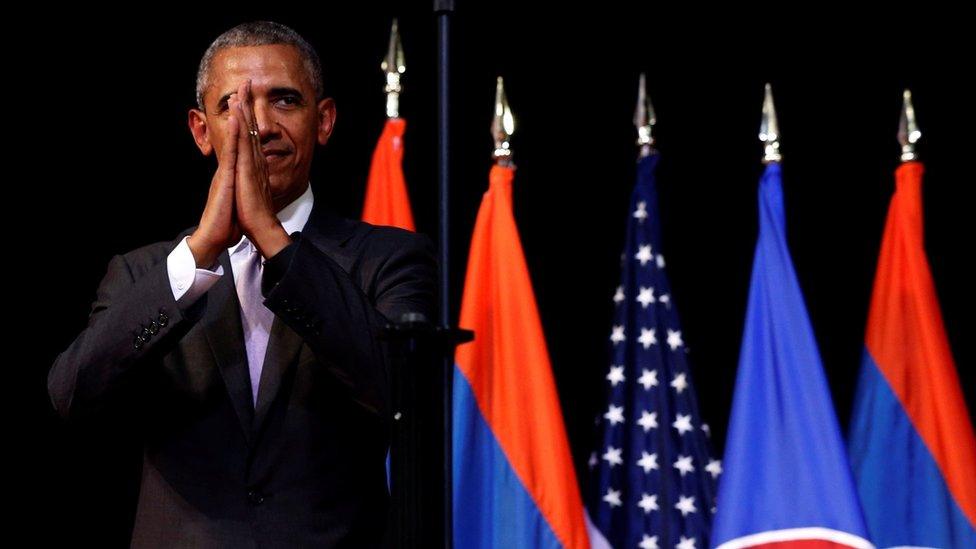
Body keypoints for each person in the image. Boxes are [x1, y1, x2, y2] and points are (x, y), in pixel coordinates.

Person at [47, 20, 436, 547]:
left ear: (324, 121)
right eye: (234, 104)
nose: (260, 126)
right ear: (201, 130)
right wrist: (201, 250)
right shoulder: (145, 273)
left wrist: (274, 240)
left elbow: (400, 394)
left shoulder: (390, 259)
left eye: (284, 101)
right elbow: (73, 392)